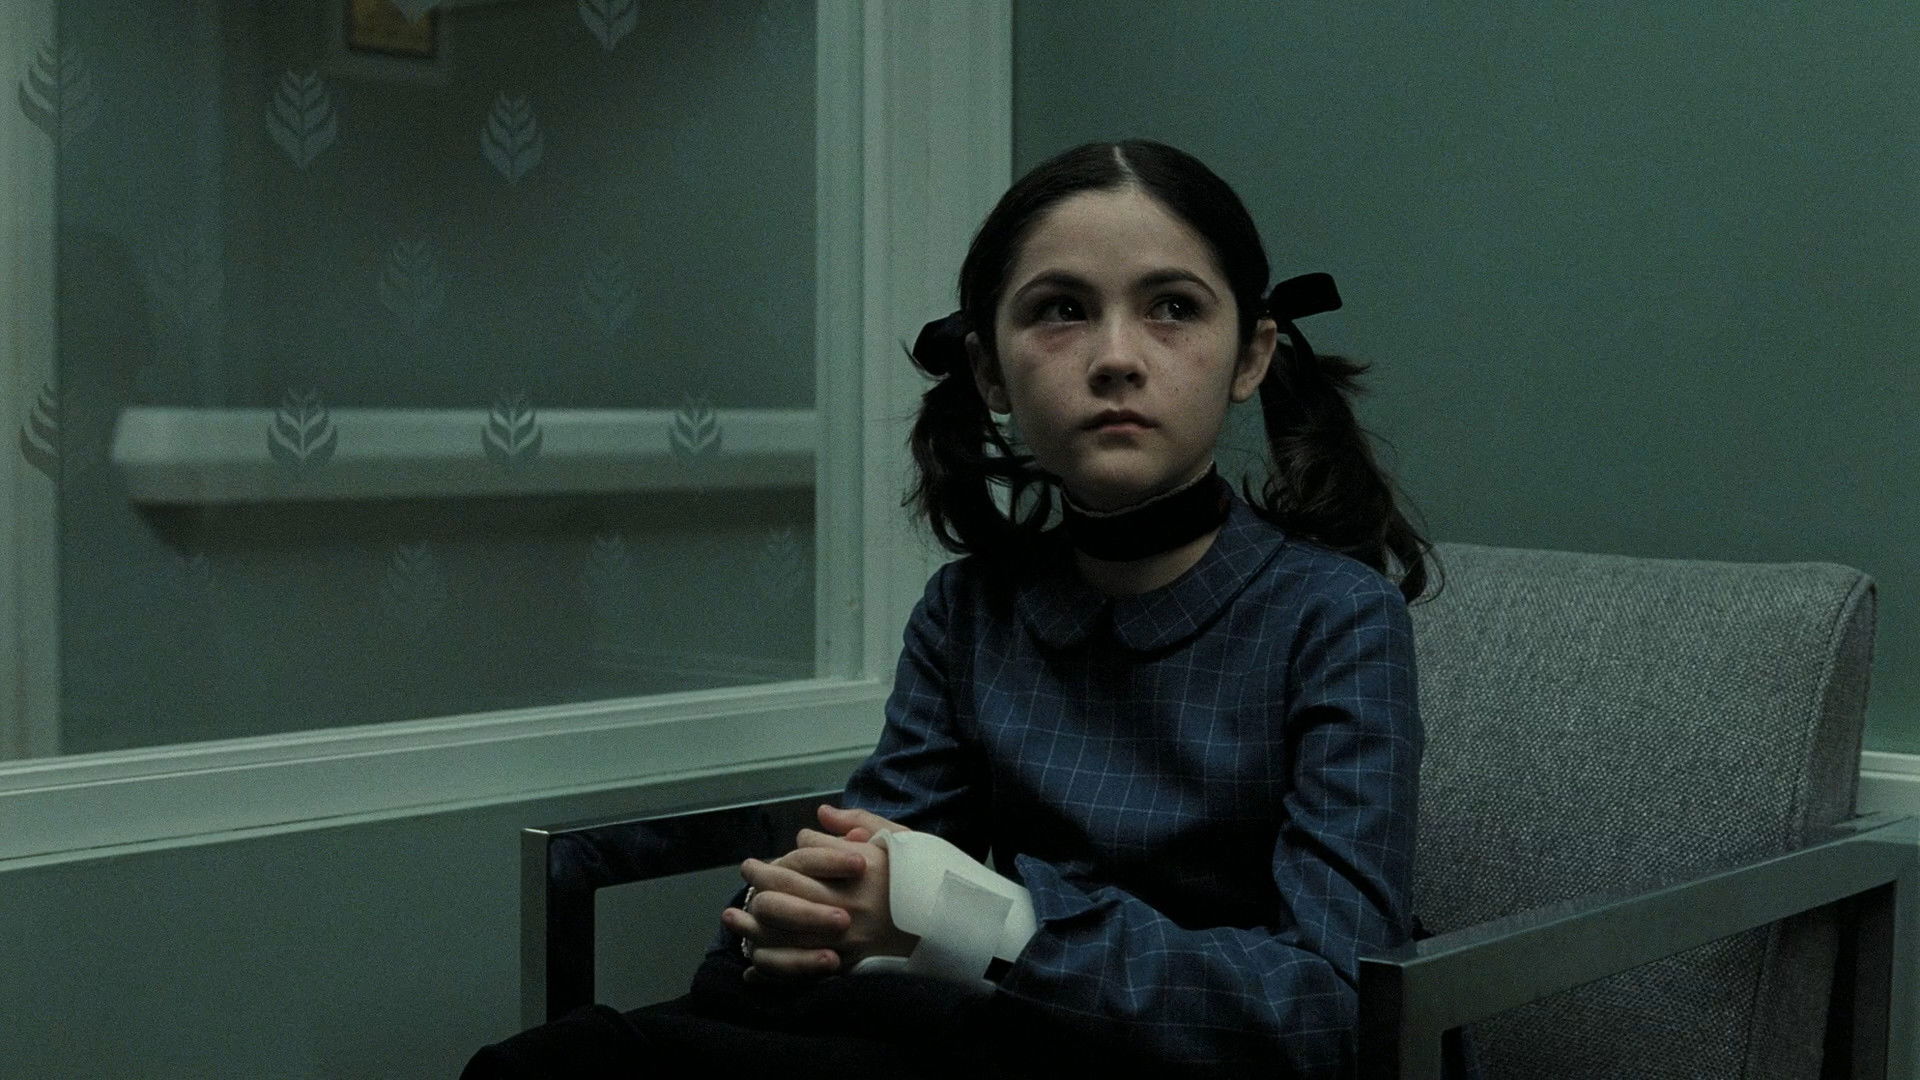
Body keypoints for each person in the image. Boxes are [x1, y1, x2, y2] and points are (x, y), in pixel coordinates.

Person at [463, 139, 1472, 1079]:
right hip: (988, 1033)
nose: (1117, 357)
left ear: (1251, 355)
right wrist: (798, 916)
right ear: (990, 368)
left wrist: (984, 925)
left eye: (1173, 307)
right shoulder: (972, 611)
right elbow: (860, 867)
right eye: (1061, 310)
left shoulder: (1336, 617)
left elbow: (1336, 1007)